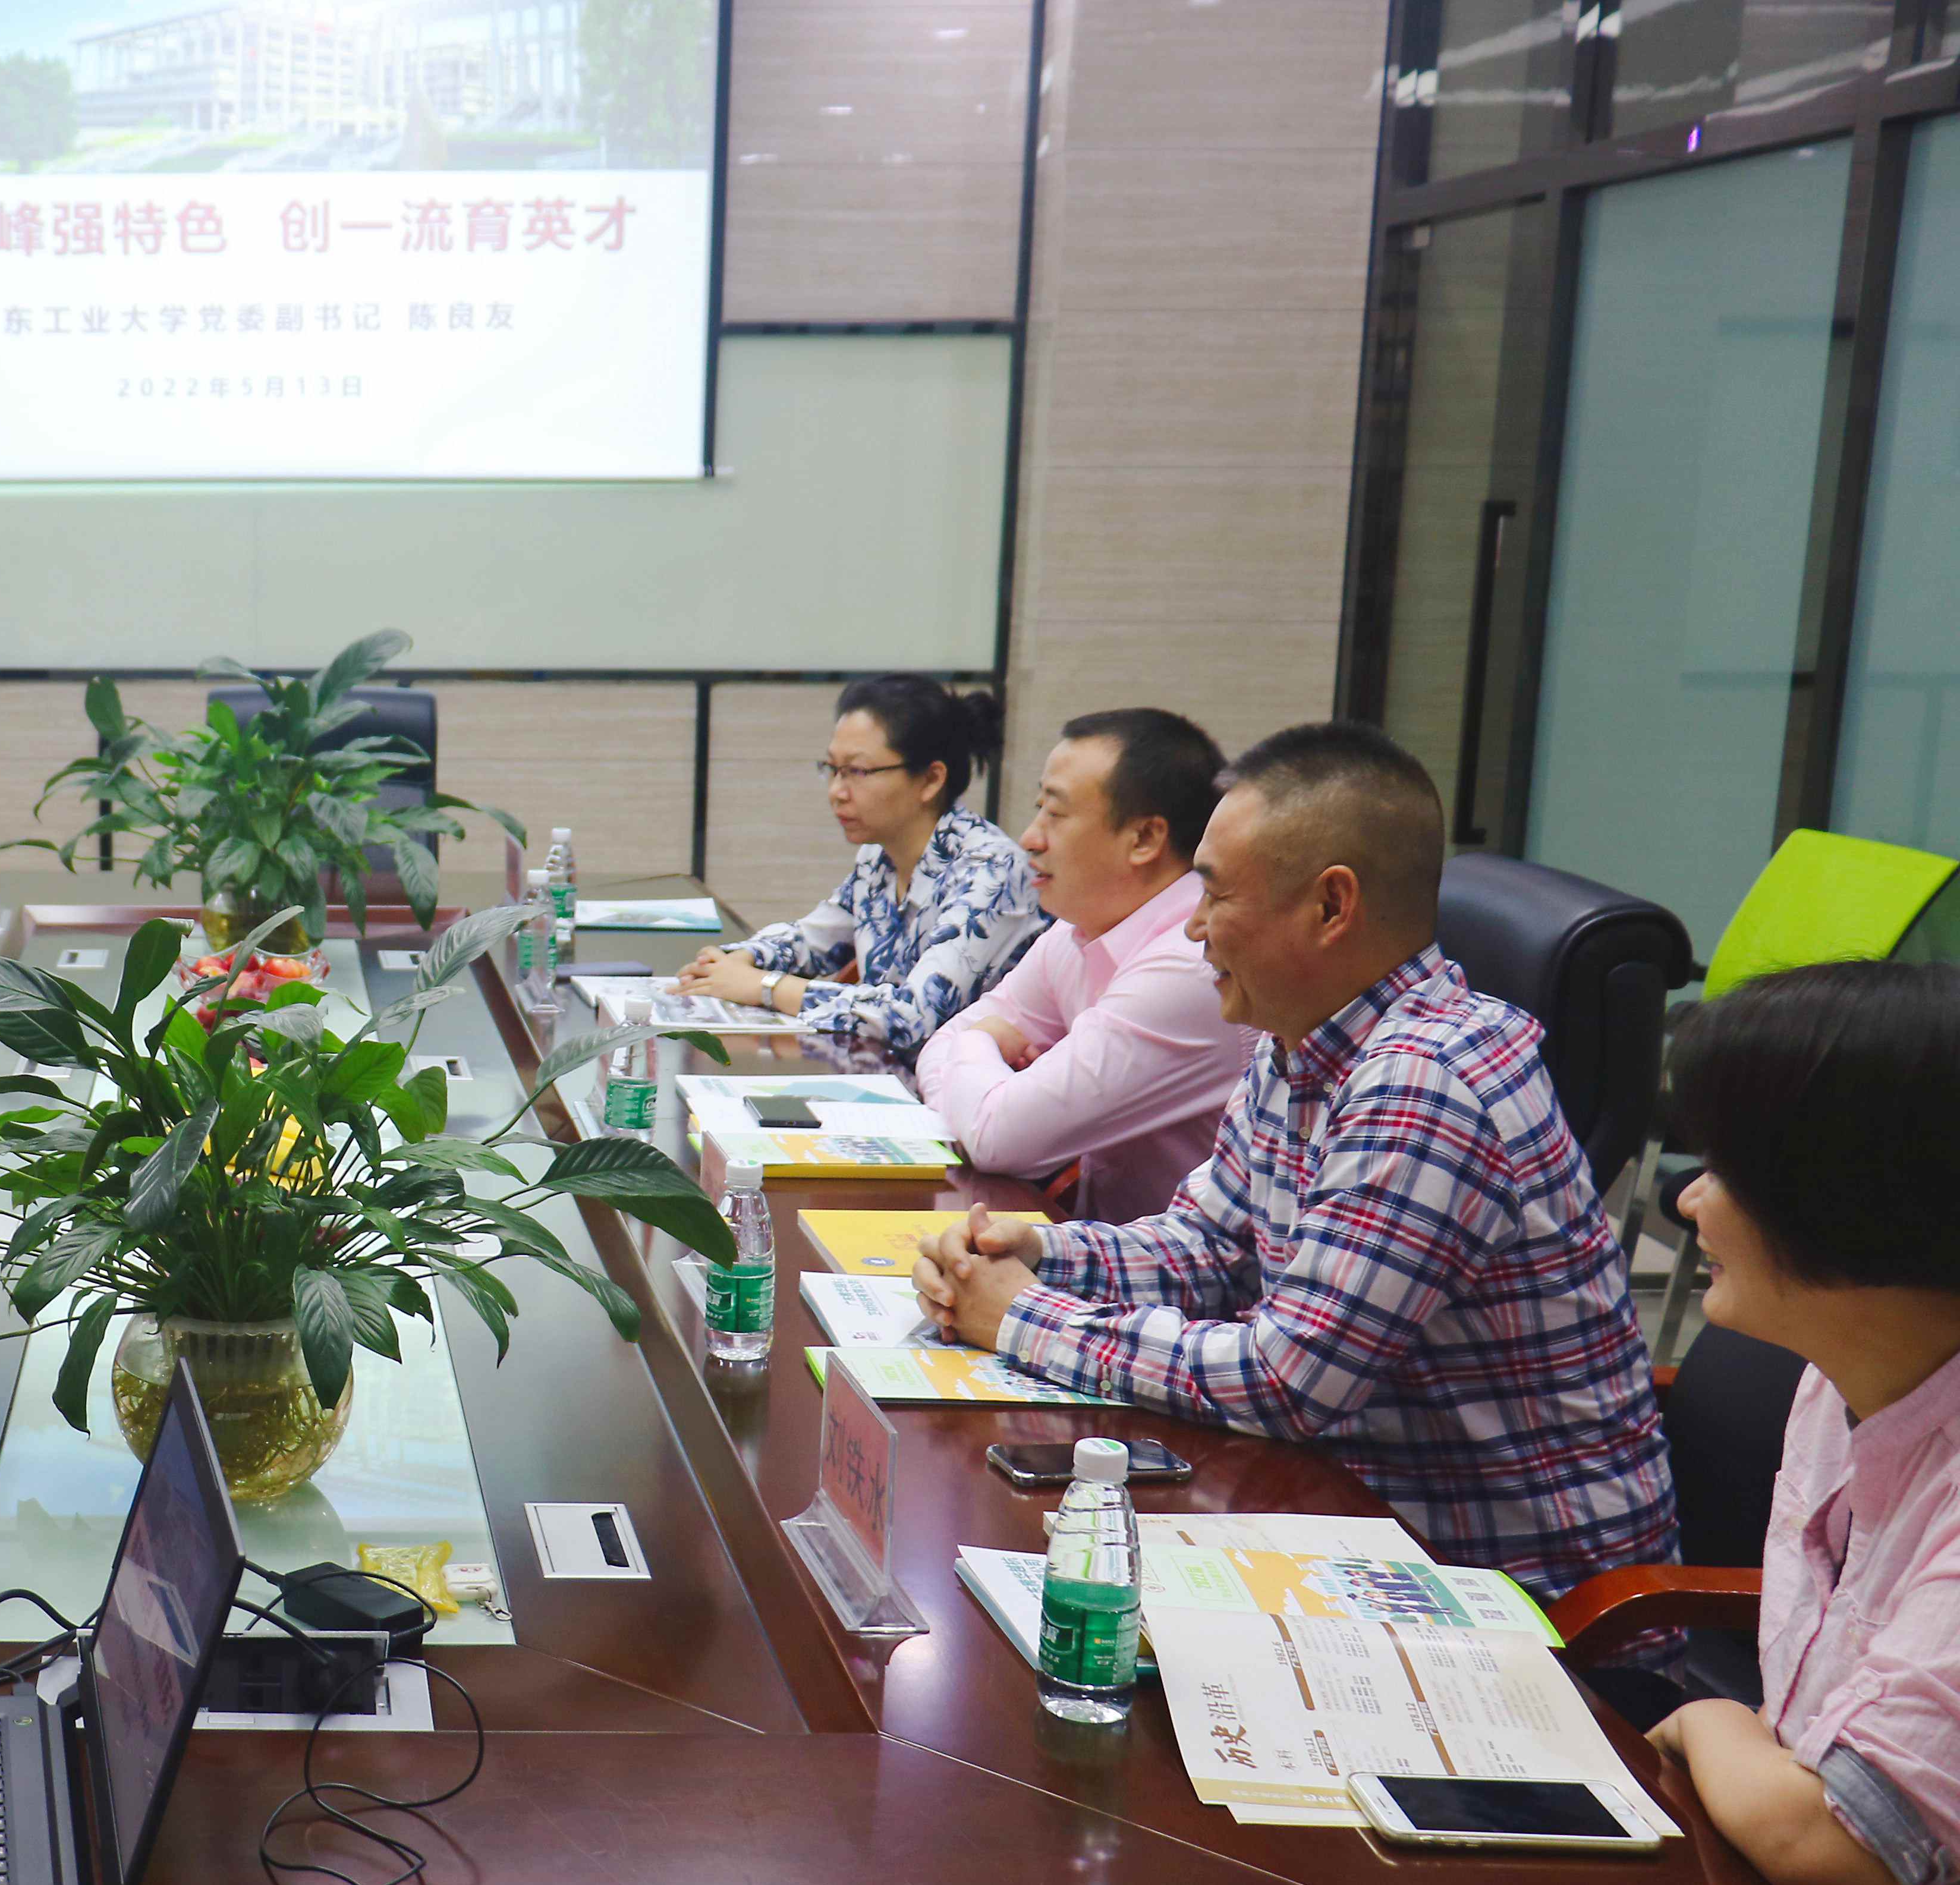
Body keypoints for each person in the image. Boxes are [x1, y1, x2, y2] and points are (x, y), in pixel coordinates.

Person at [912, 720, 1672, 1601]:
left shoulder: (1425, 1081)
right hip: (1348, 1514)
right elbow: (1209, 1249)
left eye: (1215, 893)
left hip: (1514, 1597)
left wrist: (1019, 1317)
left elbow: (1285, 1380)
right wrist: (1038, 1253)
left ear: (1331, 907)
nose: (1193, 927)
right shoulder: (1300, 1038)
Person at [1645, 962, 1960, 1885]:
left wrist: (1707, 1722)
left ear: (1852, 1200)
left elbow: (1831, 1840)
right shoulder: (1839, 1376)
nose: (1689, 1200)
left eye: (1726, 1172)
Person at [909, 709, 1245, 1221]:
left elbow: (997, 1140)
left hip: (1177, 1265)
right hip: (1092, 1244)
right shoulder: (1079, 929)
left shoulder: (1193, 964)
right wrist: (982, 1087)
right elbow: (939, 1051)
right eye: (1038, 809)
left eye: (1056, 814)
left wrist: (979, 1045)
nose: (1030, 837)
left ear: (1144, 839)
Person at [671, 674, 1042, 1055]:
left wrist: (764, 987)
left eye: (858, 772)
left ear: (931, 780)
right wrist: (739, 959)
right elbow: (815, 941)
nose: (837, 792)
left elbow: (913, 1016)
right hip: (881, 1072)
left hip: (962, 1082)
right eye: (833, 769)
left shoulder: (992, 871)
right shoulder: (879, 855)